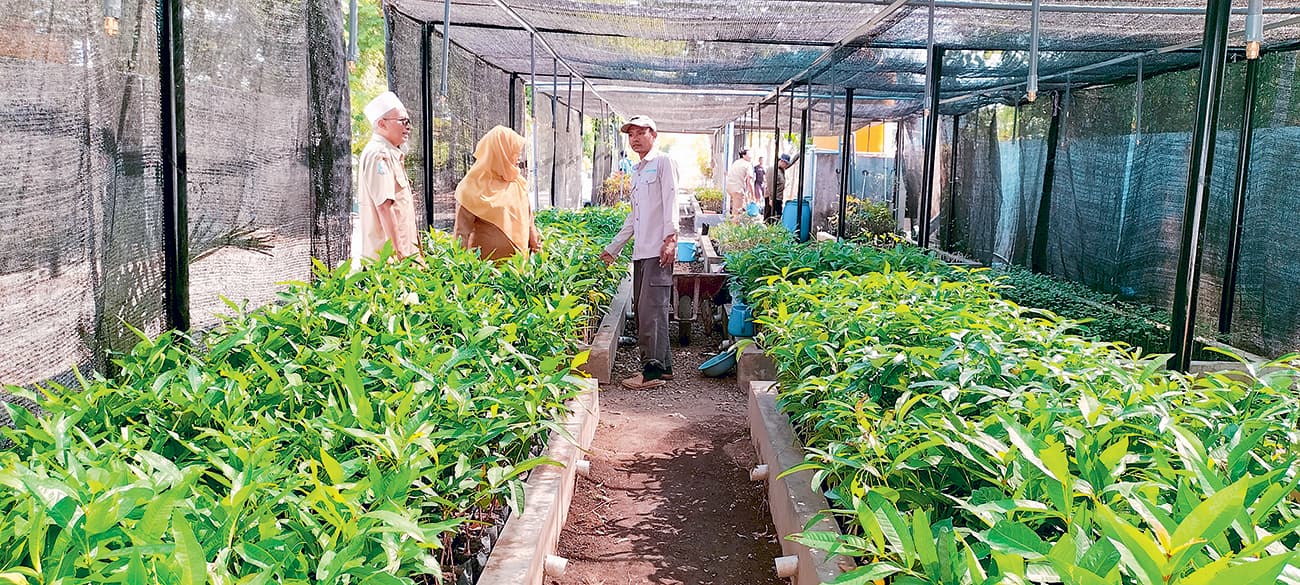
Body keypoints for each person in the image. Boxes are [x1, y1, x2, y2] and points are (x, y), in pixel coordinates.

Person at [600, 115, 679, 390]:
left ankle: (651, 373)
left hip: (658, 250)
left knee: (650, 313)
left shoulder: (663, 162)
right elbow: (633, 217)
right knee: (647, 310)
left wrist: (670, 239)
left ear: (653, 135)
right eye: (631, 134)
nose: (635, 139)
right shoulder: (637, 171)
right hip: (641, 252)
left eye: (641, 133)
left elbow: (671, 199)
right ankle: (663, 368)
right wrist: (613, 249)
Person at [453, 126, 542, 261]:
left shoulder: (517, 182)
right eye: (514, 152)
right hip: (485, 269)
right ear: (501, 153)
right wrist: (461, 265)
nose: (518, 158)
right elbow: (461, 234)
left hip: (517, 268)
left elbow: (529, 222)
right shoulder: (471, 187)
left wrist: (537, 251)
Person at [358, 91, 420, 261]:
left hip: (403, 256)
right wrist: (400, 254)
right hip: (390, 262)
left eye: (408, 122)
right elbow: (384, 207)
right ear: (382, 123)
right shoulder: (379, 154)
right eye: (403, 121)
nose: (408, 127)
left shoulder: (391, 153)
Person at [725, 148, 756, 217]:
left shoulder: (736, 162)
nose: (751, 156)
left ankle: (733, 220)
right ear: (743, 155)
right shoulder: (747, 164)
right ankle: (735, 223)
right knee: (737, 212)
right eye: (749, 154)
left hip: (730, 188)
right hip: (738, 189)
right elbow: (750, 182)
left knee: (736, 208)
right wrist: (753, 196)